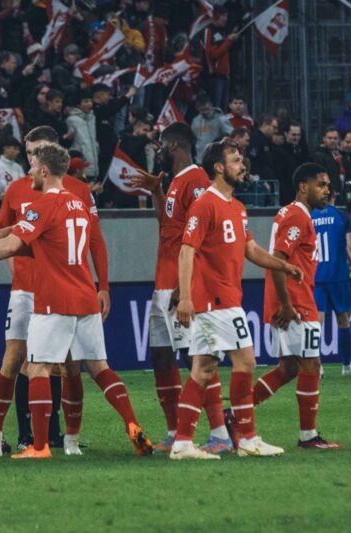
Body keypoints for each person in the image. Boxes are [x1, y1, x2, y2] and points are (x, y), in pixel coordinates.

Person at [0, 142, 152, 459]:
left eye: (32, 167)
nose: (29, 173)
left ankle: (39, 446)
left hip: (54, 299)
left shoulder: (42, 206)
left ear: (44, 170)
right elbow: (52, 245)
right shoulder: (78, 204)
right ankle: (132, 423)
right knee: (100, 368)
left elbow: (11, 245)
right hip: (85, 296)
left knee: (38, 368)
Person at [171, 141, 299, 460]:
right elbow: (186, 250)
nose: (242, 165)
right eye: (236, 160)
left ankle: (184, 443)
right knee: (244, 362)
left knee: (203, 369)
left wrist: (282, 265)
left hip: (225, 298)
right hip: (213, 301)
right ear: (219, 167)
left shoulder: (237, 207)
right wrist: (185, 297)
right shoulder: (205, 204)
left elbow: (250, 248)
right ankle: (246, 438)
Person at [0, 126, 110, 456]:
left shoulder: (78, 190)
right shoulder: (16, 189)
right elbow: (4, 235)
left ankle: (57, 436)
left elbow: (95, 240)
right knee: (15, 359)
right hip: (25, 290)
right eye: (28, 153)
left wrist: (104, 285)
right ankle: (8, 436)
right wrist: (14, 270)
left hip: (61, 291)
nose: (32, 159)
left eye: (37, 152)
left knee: (65, 365)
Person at [129, 123, 232, 454]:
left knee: (194, 356)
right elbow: (169, 225)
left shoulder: (197, 181)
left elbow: (202, 237)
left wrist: (183, 287)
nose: (157, 151)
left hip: (178, 284)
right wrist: (156, 191)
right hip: (162, 283)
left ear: (174, 145)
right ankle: (174, 432)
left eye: (161, 144)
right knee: (161, 357)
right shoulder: (175, 181)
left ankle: (220, 434)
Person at [252, 162, 343, 449]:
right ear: (303, 187)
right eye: (321, 184)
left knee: (289, 367)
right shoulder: (297, 216)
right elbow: (278, 259)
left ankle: (236, 414)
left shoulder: (291, 213)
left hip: (293, 299)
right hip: (296, 302)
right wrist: (287, 304)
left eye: (328, 186)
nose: (327, 190)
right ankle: (308, 436)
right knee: (311, 364)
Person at [312, 187, 351, 376]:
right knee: (343, 320)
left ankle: (317, 367)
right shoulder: (343, 216)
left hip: (317, 276)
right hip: (339, 276)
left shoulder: (309, 216)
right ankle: (346, 366)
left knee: (316, 323)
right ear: (334, 197)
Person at [190, 93, 233, 159]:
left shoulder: (220, 118)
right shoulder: (195, 122)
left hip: (216, 157)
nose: (205, 112)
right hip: (200, 158)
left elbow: (231, 134)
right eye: (202, 110)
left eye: (206, 109)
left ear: (210, 105)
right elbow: (193, 139)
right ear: (197, 108)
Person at [310, 126, 345, 196]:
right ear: (324, 139)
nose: (332, 141)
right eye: (330, 138)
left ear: (339, 140)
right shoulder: (318, 156)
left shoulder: (340, 155)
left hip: (339, 193)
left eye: (335, 138)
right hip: (326, 194)